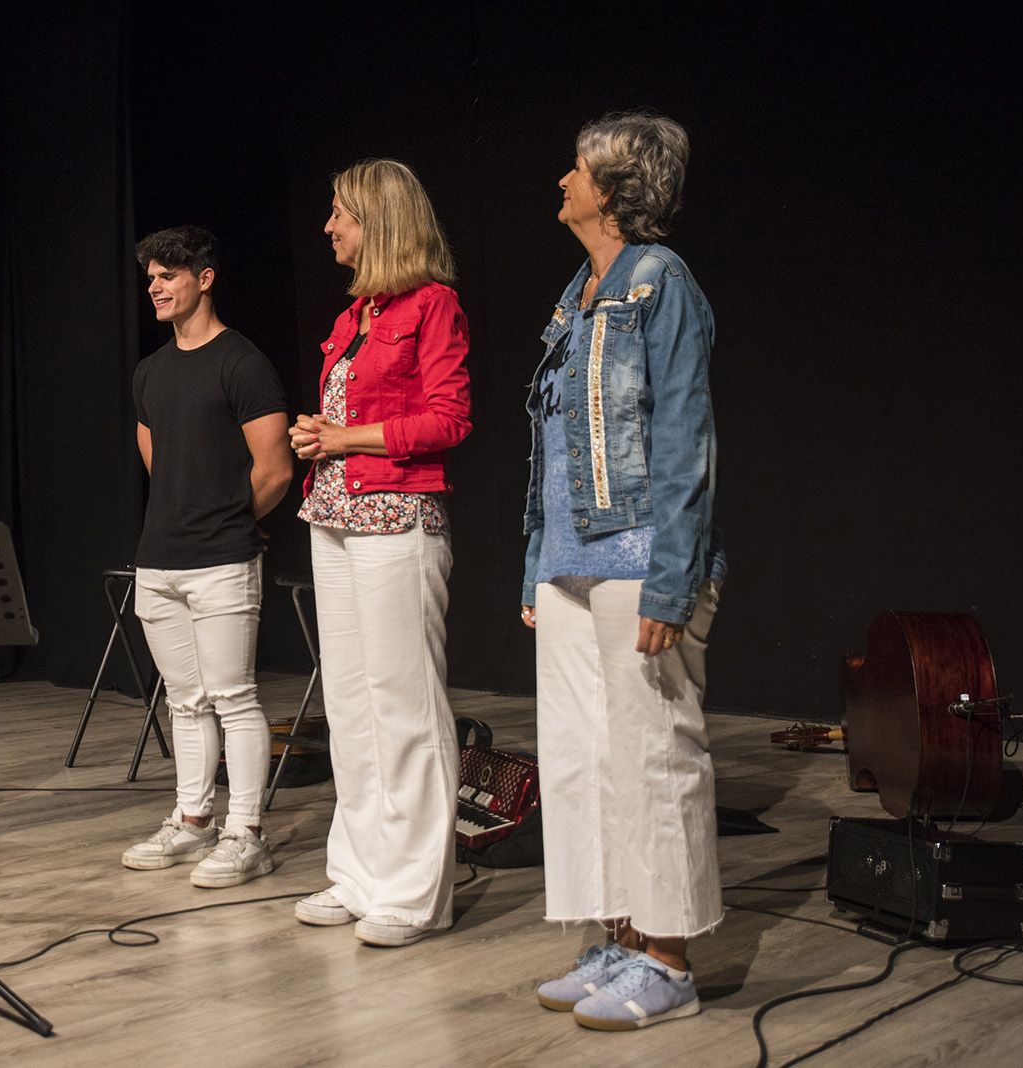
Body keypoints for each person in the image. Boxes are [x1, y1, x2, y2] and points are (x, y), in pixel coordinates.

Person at [521, 112, 724, 1029]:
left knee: (653, 754)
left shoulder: (660, 282)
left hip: (640, 553)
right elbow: (551, 445)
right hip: (570, 562)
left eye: (576, 169)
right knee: (584, 759)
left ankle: (670, 961)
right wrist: (536, 564)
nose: (561, 180)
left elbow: (684, 438)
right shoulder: (577, 293)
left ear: (610, 189)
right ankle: (621, 939)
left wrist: (673, 580)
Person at [288, 159, 471, 947]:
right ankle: (359, 874)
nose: (329, 226)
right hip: (333, 513)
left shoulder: (433, 304)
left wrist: (346, 437)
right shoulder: (353, 315)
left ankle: (417, 893)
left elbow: (448, 420)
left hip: (398, 515)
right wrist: (317, 438)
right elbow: (345, 423)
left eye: (341, 213)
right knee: (351, 705)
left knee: (405, 704)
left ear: (379, 220)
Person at [120, 226, 293, 888]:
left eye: (168, 275)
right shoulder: (150, 371)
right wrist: (184, 516)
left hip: (221, 560)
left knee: (233, 696)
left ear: (204, 278)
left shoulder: (242, 363)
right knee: (184, 700)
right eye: (151, 278)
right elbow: (158, 461)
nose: (156, 288)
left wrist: (228, 523)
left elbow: (274, 469)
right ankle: (192, 819)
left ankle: (245, 832)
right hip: (159, 559)